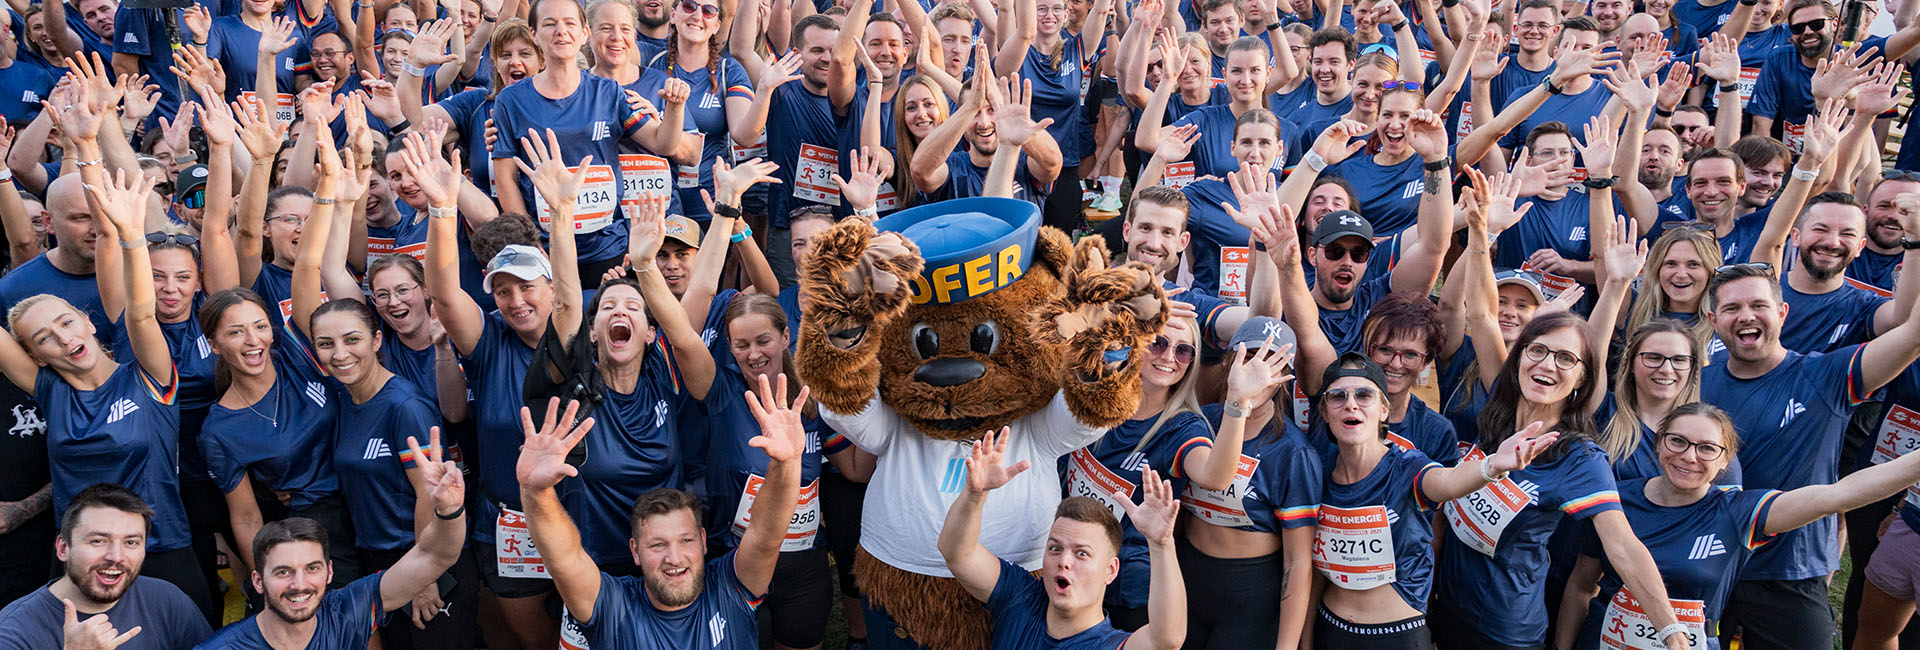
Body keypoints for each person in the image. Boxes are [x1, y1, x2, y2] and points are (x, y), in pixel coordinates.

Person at [1428, 307, 1692, 650]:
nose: (1548, 364)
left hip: (1503, 630)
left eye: (1566, 358)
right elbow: (1481, 317)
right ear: (1519, 356)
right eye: (1538, 350)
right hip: (1447, 606)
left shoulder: (1580, 458)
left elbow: (1623, 547)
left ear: (1582, 378)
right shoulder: (1498, 416)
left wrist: (1672, 633)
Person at [1559, 402, 1920, 650]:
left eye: (1706, 448)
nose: (1689, 456)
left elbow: (1837, 496)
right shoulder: (1615, 500)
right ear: (1659, 443)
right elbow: (1581, 584)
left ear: (1725, 461)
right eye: (1678, 441)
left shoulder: (1739, 512)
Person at [1699, 262, 1920, 650]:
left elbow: (1913, 336)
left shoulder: (1826, 375)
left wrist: (1917, 241)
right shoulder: (1695, 379)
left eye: (1758, 305)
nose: (1746, 316)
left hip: (1789, 573)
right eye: (1732, 309)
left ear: (1783, 313)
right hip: (1706, 564)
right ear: (1713, 320)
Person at [516, 378, 806, 649]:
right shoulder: (612, 606)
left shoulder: (732, 586)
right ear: (635, 551)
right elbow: (564, 559)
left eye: (686, 541)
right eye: (657, 544)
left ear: (704, 541)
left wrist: (788, 463)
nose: (674, 557)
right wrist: (536, 493)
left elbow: (767, 534)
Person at [1309, 352, 1558, 649]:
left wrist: (1490, 466)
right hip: (1330, 627)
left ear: (1384, 410)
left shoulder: (1407, 468)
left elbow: (1449, 482)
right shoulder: (1319, 472)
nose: (1351, 404)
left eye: (1364, 395)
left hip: (1396, 635)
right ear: (1325, 412)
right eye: (1337, 396)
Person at [194, 432, 467, 649]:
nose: (299, 585)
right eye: (283, 572)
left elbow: (435, 556)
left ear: (330, 572)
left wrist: (448, 510)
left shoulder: (347, 611)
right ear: (257, 581)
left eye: (312, 568)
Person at [491, 0, 691, 282]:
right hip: (547, 247)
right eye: (550, 24)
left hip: (607, 246)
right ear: (534, 34)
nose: (561, 31)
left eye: (570, 23)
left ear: (584, 32)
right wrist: (530, 244)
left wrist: (675, 107)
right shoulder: (511, 100)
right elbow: (505, 178)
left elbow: (663, 144)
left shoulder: (609, 92)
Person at [939, 427, 1188, 650]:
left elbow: (1167, 640)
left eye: (1082, 553)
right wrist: (975, 495)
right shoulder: (1021, 595)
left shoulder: (1109, 645)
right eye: (1055, 548)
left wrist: (1160, 544)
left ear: (1110, 570)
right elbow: (957, 553)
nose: (1064, 561)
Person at [0, 484, 210, 650]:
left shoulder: (168, 601)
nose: (116, 557)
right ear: (63, 548)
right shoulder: (13, 631)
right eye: (98, 541)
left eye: (131, 542)